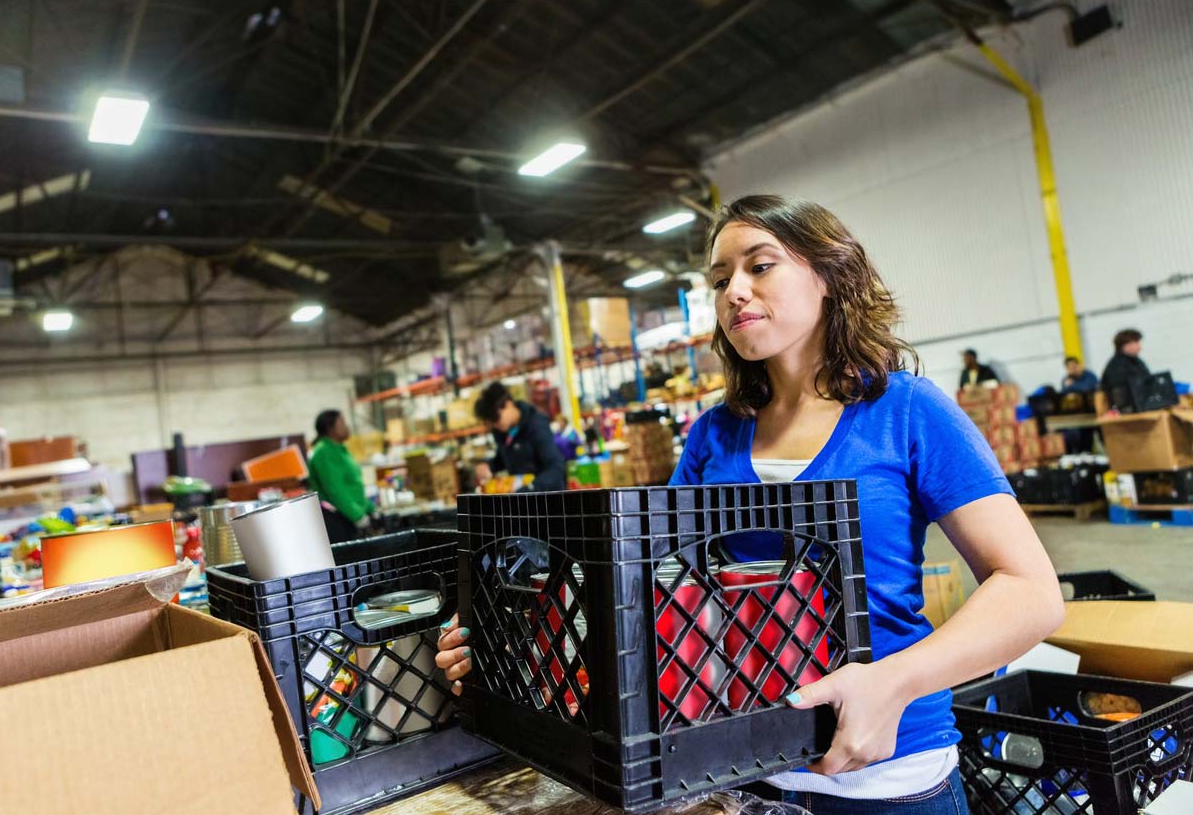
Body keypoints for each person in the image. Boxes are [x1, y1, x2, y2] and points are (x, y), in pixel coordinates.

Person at [439, 196, 1064, 814]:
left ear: (829, 275)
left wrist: (892, 682)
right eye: (719, 280)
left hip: (886, 778)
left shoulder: (905, 411)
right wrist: (511, 645)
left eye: (759, 266)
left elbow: (1030, 592)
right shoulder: (717, 433)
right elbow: (656, 591)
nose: (734, 290)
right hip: (737, 772)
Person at [472, 382, 566, 491]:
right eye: (491, 423)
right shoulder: (502, 432)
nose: (495, 425)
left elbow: (556, 468)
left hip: (545, 499)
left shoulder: (536, 426)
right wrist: (488, 466)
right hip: (521, 500)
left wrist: (531, 488)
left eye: (496, 419)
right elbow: (503, 459)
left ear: (508, 404)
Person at [308, 410, 372, 541]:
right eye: (342, 422)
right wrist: (358, 516)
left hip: (351, 516)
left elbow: (353, 485)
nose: (347, 426)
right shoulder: (324, 452)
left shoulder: (340, 450)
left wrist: (370, 508)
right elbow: (335, 490)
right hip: (340, 520)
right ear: (330, 428)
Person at [1099, 328, 1150, 397]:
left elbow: (1148, 380)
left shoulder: (1136, 361)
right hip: (1127, 405)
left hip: (1142, 402)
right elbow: (1121, 394)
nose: (1139, 347)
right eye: (1136, 343)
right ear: (1125, 345)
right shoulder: (1115, 366)